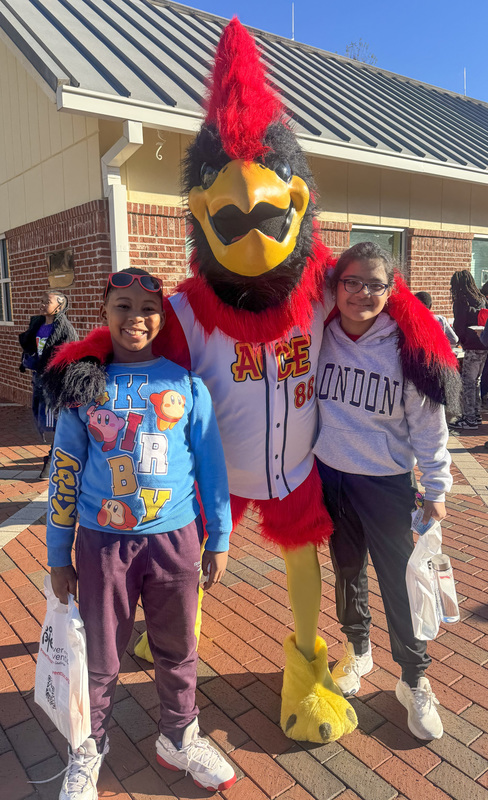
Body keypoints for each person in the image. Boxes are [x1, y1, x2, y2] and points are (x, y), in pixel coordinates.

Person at [46, 267, 236, 799]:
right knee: (102, 655)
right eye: (122, 306)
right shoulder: (85, 386)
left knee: (178, 647)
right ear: (104, 312)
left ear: (162, 317)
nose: (135, 318)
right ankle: (88, 746)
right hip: (103, 544)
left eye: (147, 308)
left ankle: (179, 735)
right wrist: (59, 555)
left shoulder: (185, 383)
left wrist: (217, 536)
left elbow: (211, 468)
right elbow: (64, 474)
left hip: (175, 541)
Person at [313, 241, 455, 741]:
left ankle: (414, 678)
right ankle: (358, 650)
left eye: (375, 284)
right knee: (347, 570)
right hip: (330, 476)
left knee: (401, 582)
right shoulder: (321, 332)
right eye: (352, 281)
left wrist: (436, 486)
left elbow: (429, 424)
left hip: (387, 481)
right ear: (337, 285)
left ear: (391, 290)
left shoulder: (408, 344)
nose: (362, 293)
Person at [19, 291, 77, 478]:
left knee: (59, 418)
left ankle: (53, 456)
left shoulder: (65, 329)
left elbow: (69, 356)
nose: (43, 304)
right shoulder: (38, 325)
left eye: (48, 302)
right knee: (43, 417)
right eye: (42, 301)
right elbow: (31, 347)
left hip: (56, 381)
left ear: (59, 306)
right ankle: (55, 453)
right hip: (39, 378)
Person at [449, 270, 488, 430]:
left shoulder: (461, 301)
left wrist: (461, 341)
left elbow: (458, 324)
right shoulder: (480, 298)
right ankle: (476, 415)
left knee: (468, 383)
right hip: (483, 344)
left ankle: (469, 418)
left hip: (471, 346)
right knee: (476, 382)